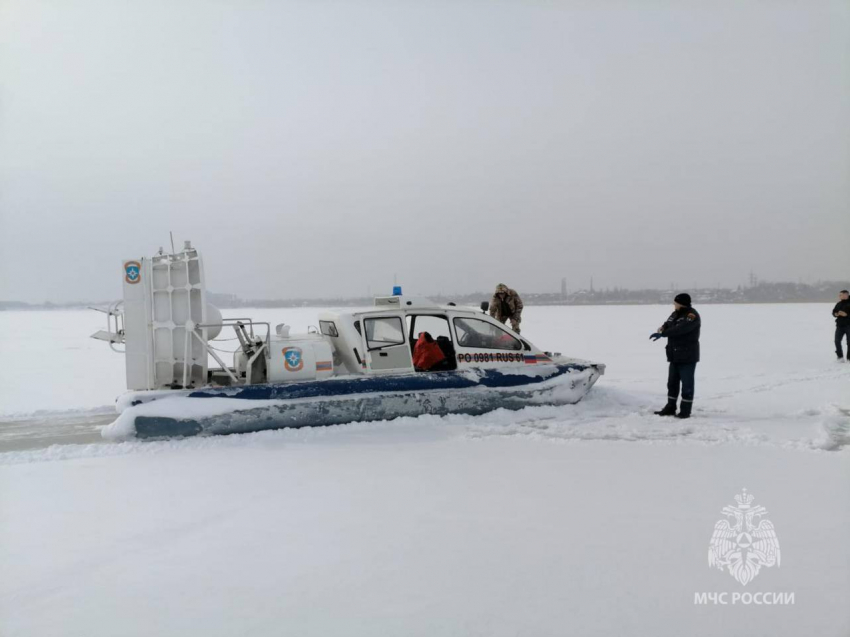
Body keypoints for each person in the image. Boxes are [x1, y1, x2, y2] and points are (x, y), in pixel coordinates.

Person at [649, 293, 701, 419]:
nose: (674, 304)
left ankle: (685, 411)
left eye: (675, 302)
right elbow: (668, 323)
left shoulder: (691, 316)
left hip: (687, 356)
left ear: (681, 303)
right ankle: (670, 407)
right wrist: (662, 328)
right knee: (672, 383)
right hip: (674, 354)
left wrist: (664, 334)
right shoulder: (675, 313)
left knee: (687, 384)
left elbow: (680, 329)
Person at [833, 289, 850, 362]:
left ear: (846, 295)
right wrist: (836, 314)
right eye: (839, 295)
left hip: (849, 325)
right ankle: (840, 357)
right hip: (840, 325)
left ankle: (849, 358)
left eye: (841, 295)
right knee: (837, 341)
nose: (839, 296)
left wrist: (846, 315)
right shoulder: (839, 303)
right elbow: (834, 311)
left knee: (849, 342)